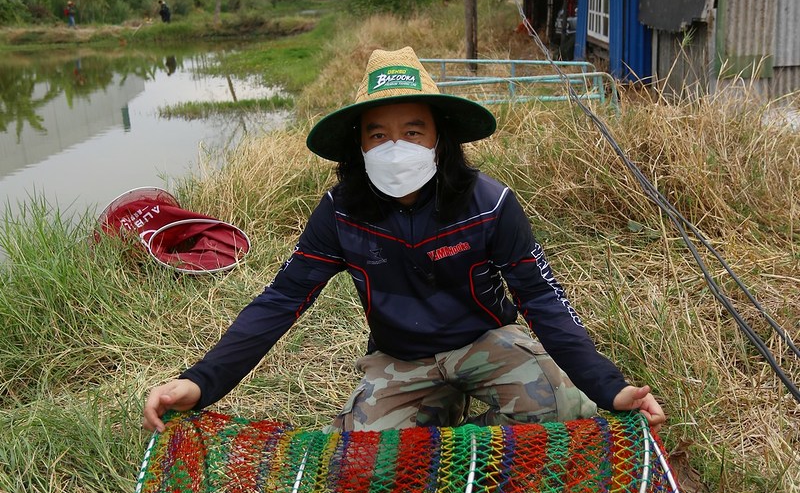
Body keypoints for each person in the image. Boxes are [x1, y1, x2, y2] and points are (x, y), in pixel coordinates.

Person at [143, 47, 665, 434]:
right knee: (361, 457)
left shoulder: (490, 203)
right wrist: (201, 381)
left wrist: (609, 385)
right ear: (359, 146)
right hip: (401, 358)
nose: (396, 147)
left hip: (486, 341)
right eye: (378, 134)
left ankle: (472, 444)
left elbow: (542, 297)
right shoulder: (340, 211)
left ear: (440, 139)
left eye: (413, 131)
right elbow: (282, 300)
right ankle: (432, 421)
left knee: (564, 408)